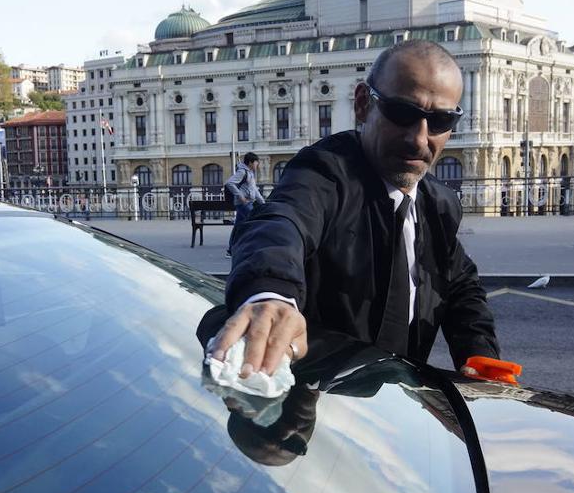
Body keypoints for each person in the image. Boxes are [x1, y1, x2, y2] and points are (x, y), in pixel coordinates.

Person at [209, 40, 499, 378]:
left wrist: (480, 355)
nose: (420, 139)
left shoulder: (440, 202)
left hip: (400, 400)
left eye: (440, 120)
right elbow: (281, 223)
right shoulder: (325, 172)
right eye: (403, 113)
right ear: (363, 104)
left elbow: (461, 284)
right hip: (322, 398)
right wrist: (271, 294)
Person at [224, 152, 264, 257]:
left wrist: (263, 203)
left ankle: (230, 250)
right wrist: (240, 196)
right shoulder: (242, 172)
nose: (257, 164)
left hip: (248, 202)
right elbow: (229, 183)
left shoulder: (250, 173)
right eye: (256, 162)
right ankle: (255, 247)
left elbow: (254, 190)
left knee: (238, 227)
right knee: (255, 222)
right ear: (250, 162)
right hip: (244, 203)